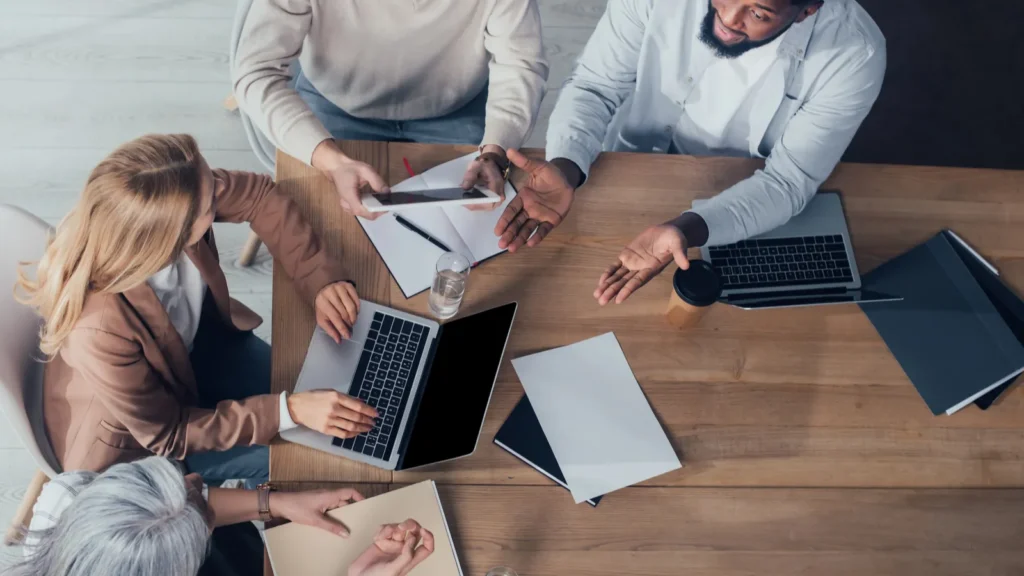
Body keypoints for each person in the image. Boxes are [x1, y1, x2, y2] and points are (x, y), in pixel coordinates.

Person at [15, 134, 380, 485]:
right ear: (166, 237)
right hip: (145, 444)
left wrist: (319, 276)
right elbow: (169, 434)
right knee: (320, 454)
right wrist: (291, 411)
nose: (219, 195)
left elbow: (258, 195)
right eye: (209, 208)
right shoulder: (98, 330)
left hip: (196, 355)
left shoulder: (174, 193)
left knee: (340, 390)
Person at [490, 0, 886, 304]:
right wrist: (568, 164)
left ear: (807, 11)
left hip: (735, 195)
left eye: (759, 13)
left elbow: (786, 182)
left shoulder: (854, 54)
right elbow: (596, 86)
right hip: (627, 164)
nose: (729, 19)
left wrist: (686, 229)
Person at [232, 0, 549, 220]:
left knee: (472, 229)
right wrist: (331, 161)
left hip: (455, 107)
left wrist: (493, 152)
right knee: (333, 231)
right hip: (335, 105)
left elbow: (520, 63)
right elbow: (256, 71)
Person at [9, 456, 434, 576]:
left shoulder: (68, 492)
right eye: (199, 499)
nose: (197, 476)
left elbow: (181, 506)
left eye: (179, 478)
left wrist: (277, 503)